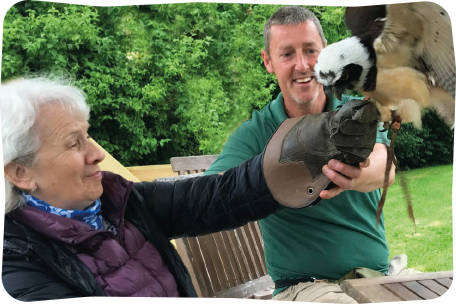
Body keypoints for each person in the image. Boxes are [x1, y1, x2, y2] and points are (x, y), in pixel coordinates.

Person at [0, 77, 379, 304]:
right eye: (73, 143)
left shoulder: (123, 204)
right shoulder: (15, 266)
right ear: (20, 172)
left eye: (88, 136)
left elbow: (219, 195)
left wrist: (310, 153)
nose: (97, 153)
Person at [205, 6, 396, 304]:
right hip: (304, 288)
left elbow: (386, 167)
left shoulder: (358, 109)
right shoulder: (257, 133)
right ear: (268, 62)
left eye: (310, 51)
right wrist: (275, 173)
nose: (302, 65)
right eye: (287, 54)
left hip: (375, 279)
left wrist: (355, 175)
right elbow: (212, 192)